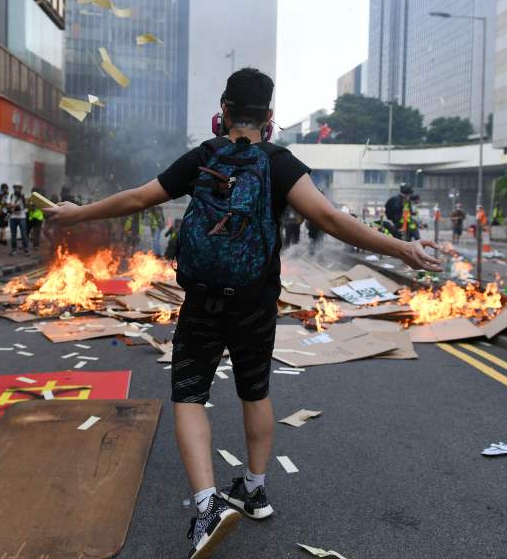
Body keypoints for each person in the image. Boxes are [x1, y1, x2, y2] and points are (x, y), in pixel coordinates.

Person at [39, 68, 441, 559]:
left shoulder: (202, 158)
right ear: (269, 118)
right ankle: (254, 490)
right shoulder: (279, 163)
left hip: (203, 298)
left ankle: (208, 508)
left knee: (190, 395)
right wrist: (401, 248)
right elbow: (331, 219)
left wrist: (73, 213)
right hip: (255, 300)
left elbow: (138, 198)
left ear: (223, 111)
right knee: (256, 389)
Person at [8, 183, 29, 255]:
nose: (17, 189)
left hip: (22, 217)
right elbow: (8, 205)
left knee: (23, 234)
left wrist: (23, 201)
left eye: (18, 188)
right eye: (16, 188)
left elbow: (26, 206)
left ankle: (26, 249)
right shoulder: (11, 196)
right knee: (13, 234)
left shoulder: (23, 196)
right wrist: (13, 206)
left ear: (21, 189)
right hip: (13, 217)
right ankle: (14, 249)